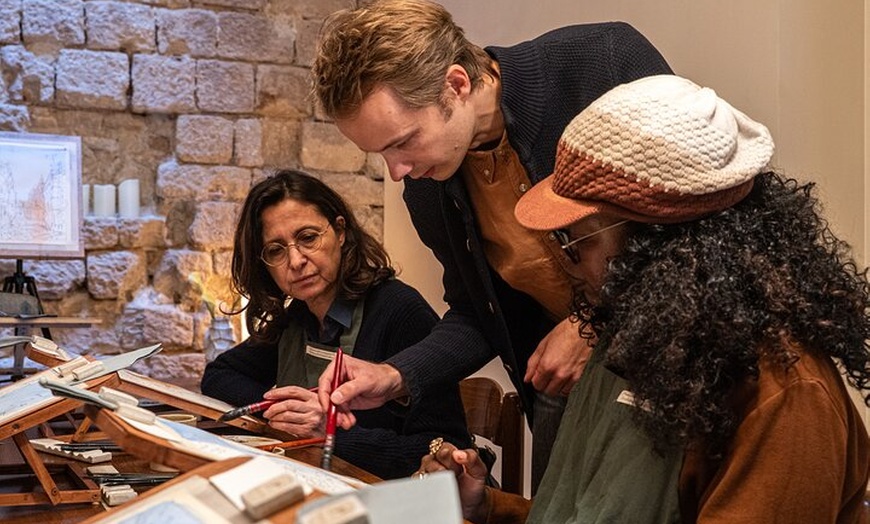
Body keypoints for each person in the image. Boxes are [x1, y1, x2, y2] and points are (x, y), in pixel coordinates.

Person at [419, 74, 870, 523]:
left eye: (578, 242)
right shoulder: (633, 341)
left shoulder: (784, 396)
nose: (567, 262)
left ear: (661, 245)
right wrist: (488, 506)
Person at [311, 0, 673, 489]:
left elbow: (693, 233)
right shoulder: (428, 184)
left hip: (680, 376)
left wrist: (594, 326)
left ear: (456, 85)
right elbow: (478, 315)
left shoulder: (602, 62)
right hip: (564, 391)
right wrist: (393, 375)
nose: (395, 171)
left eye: (402, 141)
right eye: (380, 153)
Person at [200, 169, 472, 480]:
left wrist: (327, 430)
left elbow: (442, 453)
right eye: (276, 250)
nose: (296, 261)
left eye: (308, 238)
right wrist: (284, 411)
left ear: (340, 232)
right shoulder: (298, 316)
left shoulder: (399, 310)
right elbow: (219, 375)